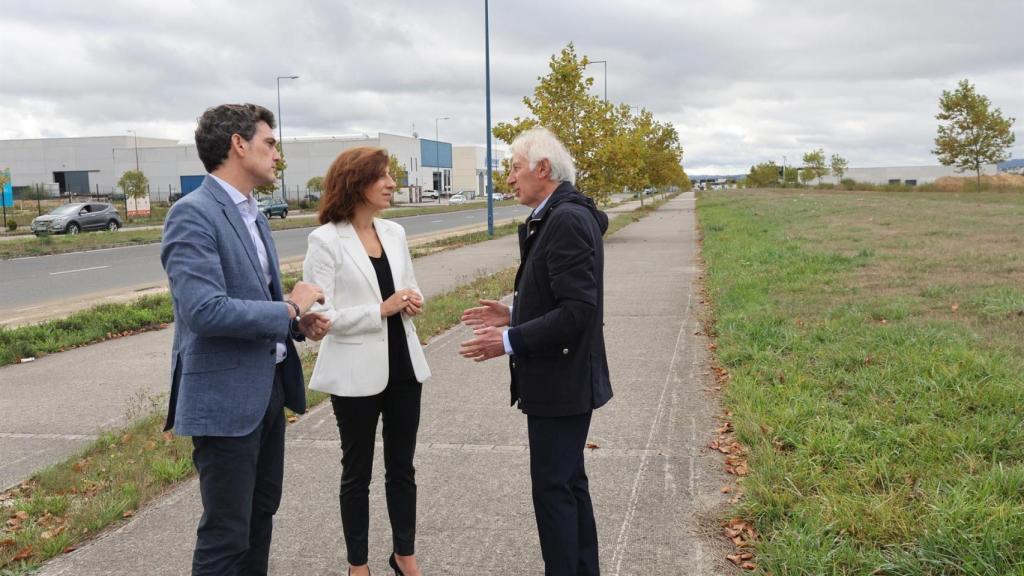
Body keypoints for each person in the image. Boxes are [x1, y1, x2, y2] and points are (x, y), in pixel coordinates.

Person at [161, 103, 331, 576]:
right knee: (227, 534)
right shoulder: (192, 214)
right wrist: (289, 308)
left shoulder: (254, 215)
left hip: (267, 390)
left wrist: (294, 325)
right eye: (270, 143)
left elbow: (256, 302)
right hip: (224, 401)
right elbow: (203, 310)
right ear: (238, 144)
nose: (277, 154)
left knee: (260, 519)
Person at [459, 126, 612, 576]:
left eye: (514, 168)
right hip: (564, 378)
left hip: (561, 381)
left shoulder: (565, 220)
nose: (509, 178)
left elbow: (577, 310)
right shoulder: (559, 215)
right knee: (568, 484)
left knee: (553, 491)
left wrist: (509, 340)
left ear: (543, 169)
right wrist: (514, 313)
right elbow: (561, 297)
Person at [303, 147, 431, 576]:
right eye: (383, 176)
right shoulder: (325, 240)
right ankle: (358, 565)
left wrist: (412, 301)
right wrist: (380, 309)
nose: (392, 183)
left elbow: (409, 286)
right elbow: (320, 316)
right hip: (354, 373)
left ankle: (404, 555)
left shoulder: (394, 232)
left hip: (404, 367)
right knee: (357, 473)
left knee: (403, 468)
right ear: (356, 183)